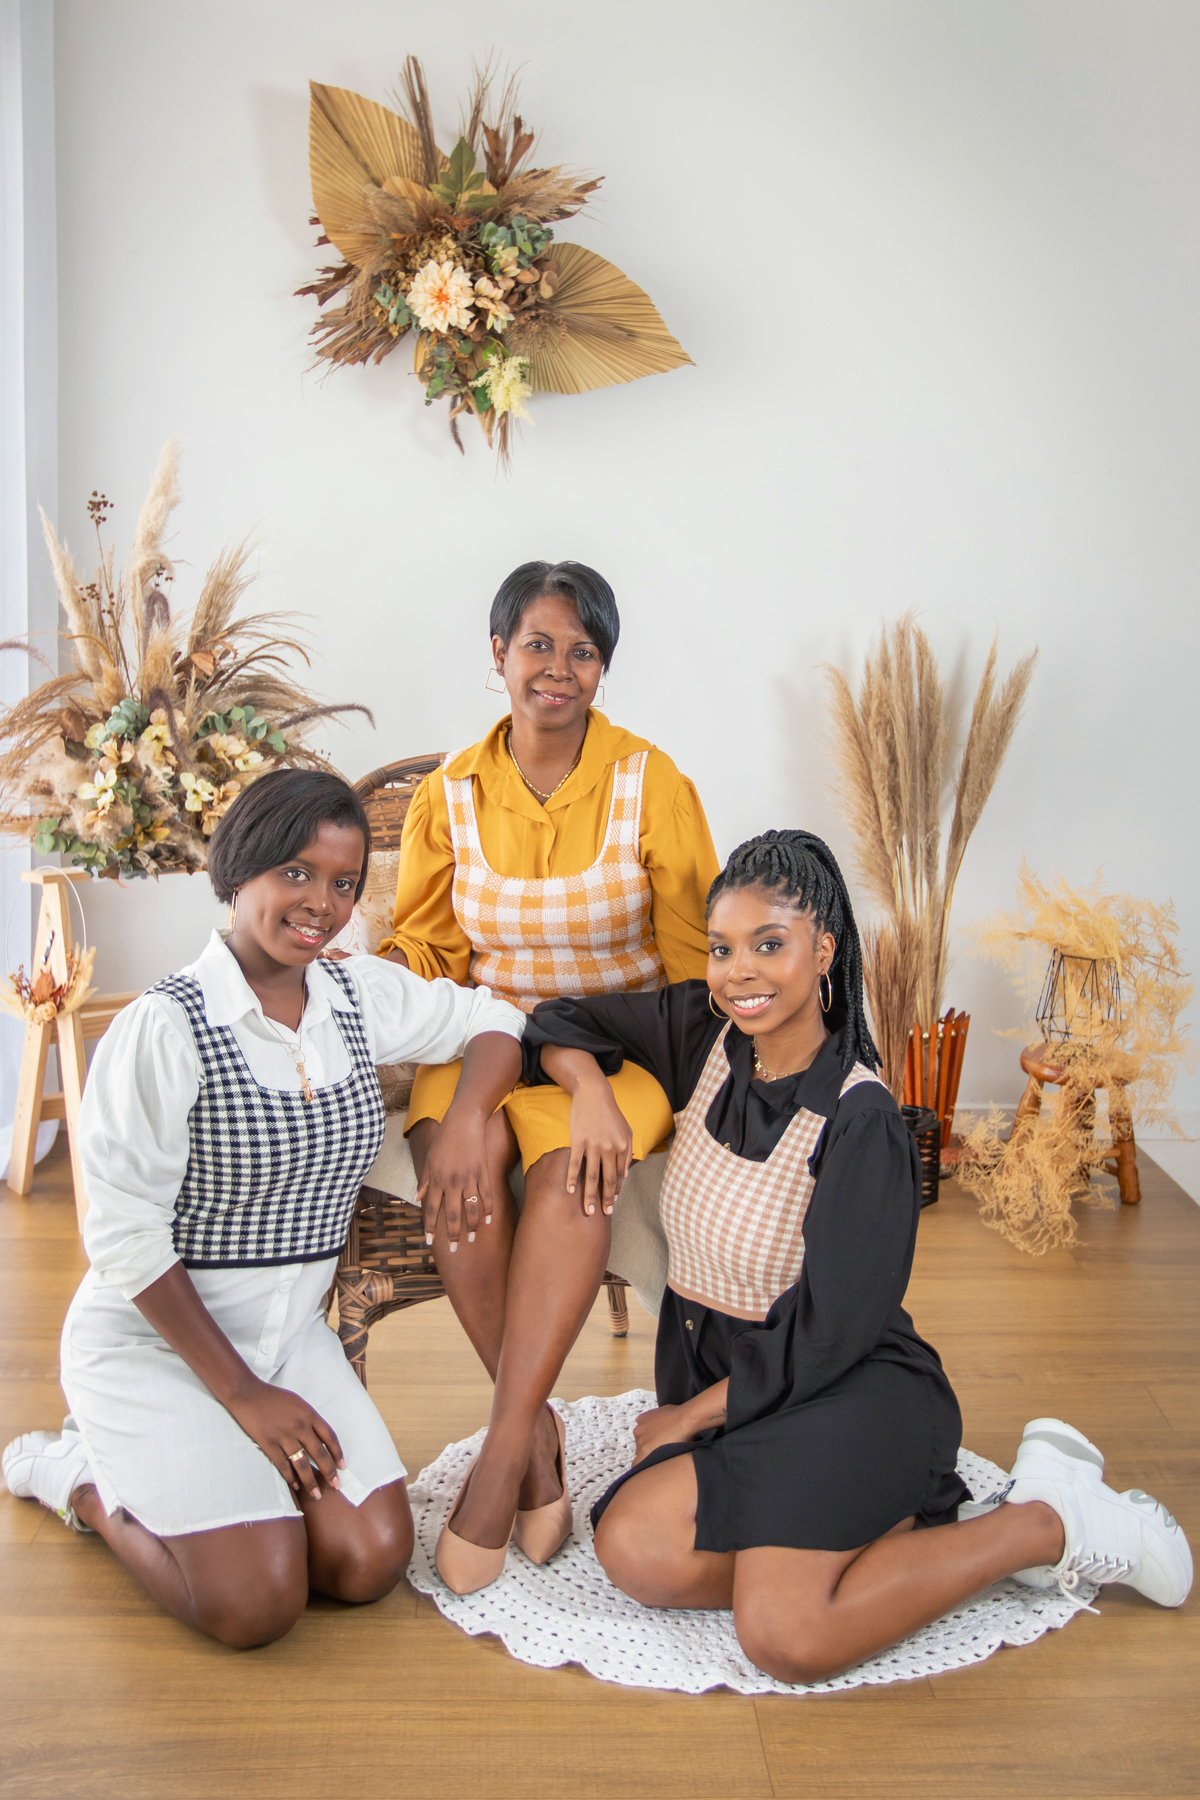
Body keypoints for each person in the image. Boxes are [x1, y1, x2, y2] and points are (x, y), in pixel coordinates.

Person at [518, 829, 1193, 1682]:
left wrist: (687, 1417)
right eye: (724, 949)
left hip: (846, 1392)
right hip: (748, 1402)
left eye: (771, 945)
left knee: (787, 1637)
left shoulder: (863, 1118)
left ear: (823, 948)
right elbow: (556, 1019)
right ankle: (884, 1538)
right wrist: (588, 1095)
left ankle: (1048, 1522)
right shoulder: (704, 1033)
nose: (740, 972)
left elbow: (831, 1336)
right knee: (634, 1550)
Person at [2, 770, 525, 1647]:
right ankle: (84, 1478)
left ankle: (226, 1479)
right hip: (155, 1350)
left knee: (369, 1562)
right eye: (295, 872)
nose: (320, 903)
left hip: (288, 1343)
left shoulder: (355, 995)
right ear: (239, 869)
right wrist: (242, 1395)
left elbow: (493, 1017)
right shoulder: (165, 1029)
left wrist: (468, 1117)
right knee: (256, 1605)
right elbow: (125, 1240)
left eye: (344, 883)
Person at [379, 560, 719, 1590]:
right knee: (457, 1162)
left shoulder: (650, 783)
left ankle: (501, 1455)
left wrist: (614, 1079)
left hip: (616, 1052)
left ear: (602, 668)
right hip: (482, 1044)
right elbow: (427, 953)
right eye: (538, 644)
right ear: (498, 656)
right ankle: (531, 1439)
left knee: (580, 1168)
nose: (558, 668)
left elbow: (695, 967)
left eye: (582, 650)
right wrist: (353, 989)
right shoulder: (449, 794)